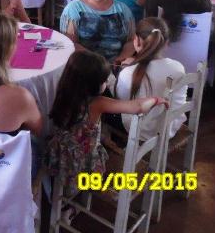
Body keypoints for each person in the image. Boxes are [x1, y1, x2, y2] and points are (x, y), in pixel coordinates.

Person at [46, 50, 167, 199]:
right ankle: (71, 205)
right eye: (104, 81)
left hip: (60, 155)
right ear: (92, 84)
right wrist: (155, 99)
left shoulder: (63, 92)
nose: (106, 83)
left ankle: (63, 201)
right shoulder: (97, 103)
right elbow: (136, 107)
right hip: (83, 164)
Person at [113, 17, 186, 139]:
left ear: (136, 41)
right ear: (166, 43)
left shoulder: (128, 73)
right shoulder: (178, 67)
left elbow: (121, 102)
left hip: (139, 131)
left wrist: (122, 71)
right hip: (170, 126)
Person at [60, 0, 135, 63]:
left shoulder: (122, 9)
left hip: (116, 63)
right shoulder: (74, 9)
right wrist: (99, 63)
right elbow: (70, 44)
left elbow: (131, 41)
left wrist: (119, 59)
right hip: (86, 63)